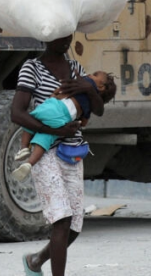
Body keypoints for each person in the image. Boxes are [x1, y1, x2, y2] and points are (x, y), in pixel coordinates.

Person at [11, 35, 105, 276]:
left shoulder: (76, 69)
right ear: (45, 35)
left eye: (68, 35)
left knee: (74, 226)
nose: (64, 40)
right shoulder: (32, 68)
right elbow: (17, 113)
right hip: (45, 151)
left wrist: (88, 89)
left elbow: (98, 109)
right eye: (58, 35)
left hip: (71, 152)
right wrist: (54, 130)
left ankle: (36, 261)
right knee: (61, 220)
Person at [12, 70, 116, 181]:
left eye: (95, 75)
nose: (90, 75)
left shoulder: (85, 82)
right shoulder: (91, 105)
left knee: (30, 121)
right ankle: (29, 163)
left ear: (101, 87)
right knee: (44, 139)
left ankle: (23, 148)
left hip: (55, 106)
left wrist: (54, 94)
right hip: (64, 120)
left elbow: (61, 91)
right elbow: (84, 122)